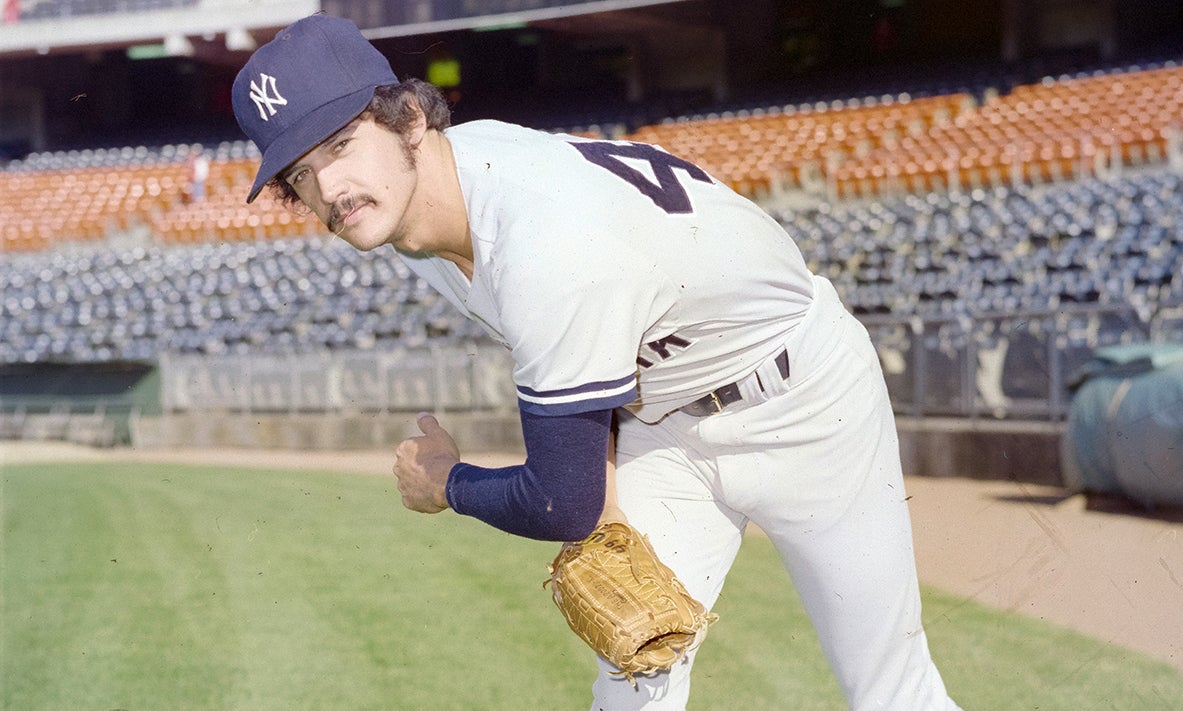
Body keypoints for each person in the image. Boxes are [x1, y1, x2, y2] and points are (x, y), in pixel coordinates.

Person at [233, 15, 962, 711]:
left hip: (806, 399)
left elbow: (564, 501)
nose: (328, 189)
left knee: (889, 689)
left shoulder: (539, 237)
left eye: (340, 144)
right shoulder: (419, 206)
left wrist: (445, 484)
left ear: (411, 121)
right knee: (630, 691)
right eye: (300, 174)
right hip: (665, 425)